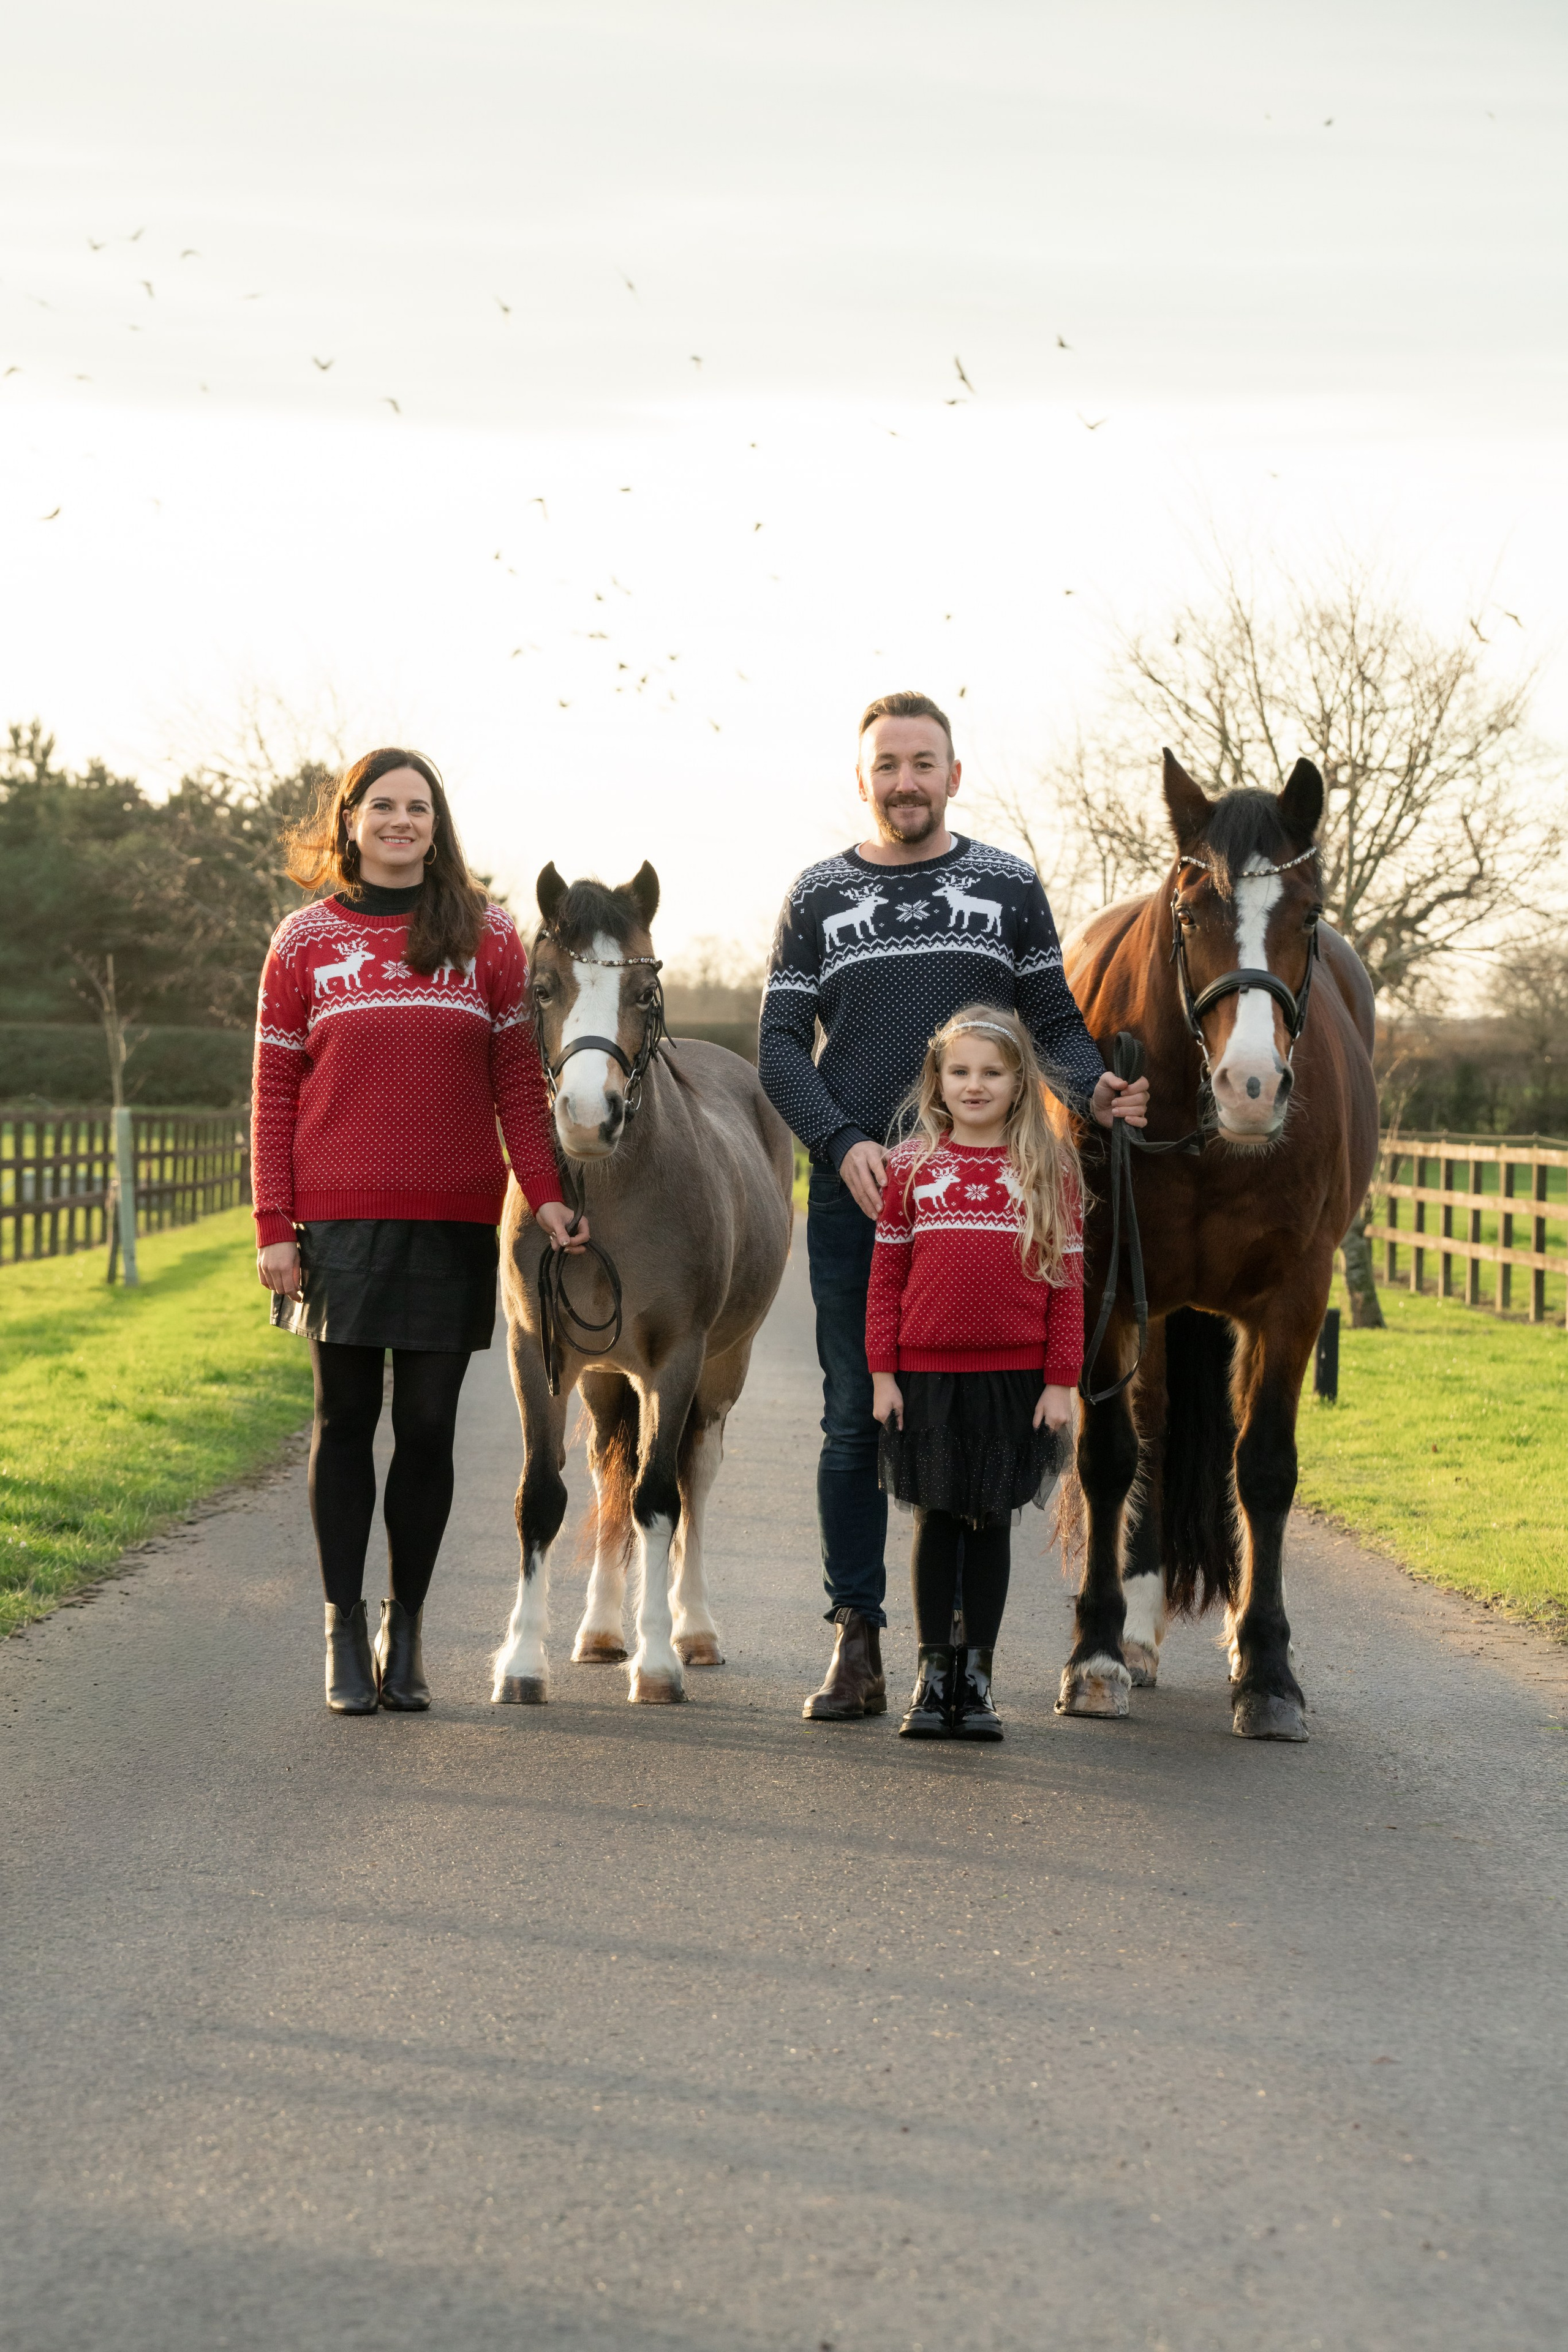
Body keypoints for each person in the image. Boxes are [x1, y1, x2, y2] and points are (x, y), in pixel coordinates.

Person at [758, 689, 1147, 1721]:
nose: (905, 781)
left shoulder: (1008, 885)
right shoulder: (817, 895)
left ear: (954, 775)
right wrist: (839, 1144)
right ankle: (858, 1640)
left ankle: (957, 1661)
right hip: (864, 1198)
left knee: (977, 1423)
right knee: (855, 1419)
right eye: (887, 764)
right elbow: (779, 1047)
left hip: (991, 1203)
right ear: (864, 779)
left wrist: (1091, 1087)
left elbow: (1054, 1022)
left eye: (923, 762)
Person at [251, 747, 583, 1715]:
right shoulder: (305, 941)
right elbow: (274, 1090)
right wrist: (276, 1223)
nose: (403, 822)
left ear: (438, 825)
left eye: (420, 808)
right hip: (337, 1220)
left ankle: (410, 1632)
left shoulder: (488, 936)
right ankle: (343, 1632)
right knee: (345, 1423)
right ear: (350, 820)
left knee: (429, 1429)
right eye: (384, 807)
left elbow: (519, 1082)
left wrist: (548, 1192)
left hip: (452, 1218)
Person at [867, 1008, 1082, 1738]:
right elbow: (884, 1278)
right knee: (934, 1517)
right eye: (960, 1071)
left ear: (1020, 1083)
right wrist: (882, 1373)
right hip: (925, 1376)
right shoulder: (910, 1166)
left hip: (1013, 1378)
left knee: (989, 1520)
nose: (974, 1085)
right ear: (938, 1079)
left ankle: (979, 1682)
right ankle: (932, 1682)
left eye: (991, 1072)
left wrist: (1060, 1380)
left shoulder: (1048, 1169)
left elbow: (1067, 1281)